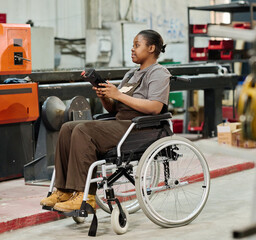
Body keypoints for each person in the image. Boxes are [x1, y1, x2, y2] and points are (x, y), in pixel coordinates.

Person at [40, 29, 171, 212]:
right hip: (120, 123)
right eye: (132, 45)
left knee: (83, 130)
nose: (132, 49)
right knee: (68, 128)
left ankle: (85, 195)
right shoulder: (130, 75)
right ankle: (63, 190)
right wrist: (105, 96)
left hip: (140, 128)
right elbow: (114, 109)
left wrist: (118, 94)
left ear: (151, 48)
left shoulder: (159, 73)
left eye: (136, 45)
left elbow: (155, 107)